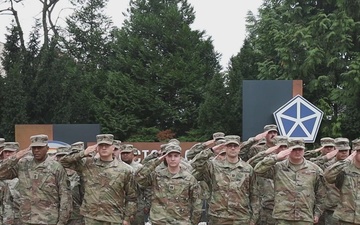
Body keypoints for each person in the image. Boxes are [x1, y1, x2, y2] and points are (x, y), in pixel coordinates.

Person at [60, 134, 137, 225]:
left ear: (113, 148)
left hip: (114, 218)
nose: (104, 148)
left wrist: (127, 219)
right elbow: (63, 162)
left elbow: (132, 197)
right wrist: (83, 153)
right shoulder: (87, 164)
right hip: (91, 217)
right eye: (101, 145)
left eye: (107, 145)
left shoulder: (125, 170)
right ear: (96, 147)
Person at [0, 134, 72, 225]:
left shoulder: (56, 167)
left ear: (47, 148)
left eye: (39, 147)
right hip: (26, 220)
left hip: (48, 220)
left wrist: (62, 222)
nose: (36, 150)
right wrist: (16, 157)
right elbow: (1, 173)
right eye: (34, 148)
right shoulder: (23, 165)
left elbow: (65, 197)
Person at [254, 138, 325, 225]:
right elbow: (258, 170)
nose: (297, 152)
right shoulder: (278, 167)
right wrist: (275, 157)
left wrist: (317, 213)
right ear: (288, 150)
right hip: (282, 217)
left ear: (304, 150)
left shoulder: (314, 169)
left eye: (300, 149)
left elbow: (321, 194)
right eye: (294, 149)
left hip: (304, 216)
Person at [191, 135, 259, 224]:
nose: (233, 148)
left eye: (235, 146)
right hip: (218, 217)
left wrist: (254, 219)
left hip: (241, 217)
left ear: (239, 148)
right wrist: (211, 150)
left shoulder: (248, 168)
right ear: (225, 148)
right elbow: (195, 163)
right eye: (229, 146)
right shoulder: (214, 166)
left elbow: (254, 195)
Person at [135, 144, 202, 225]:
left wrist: (194, 222)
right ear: (165, 157)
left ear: (180, 157)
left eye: (176, 156)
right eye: (169, 156)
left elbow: (197, 203)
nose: (172, 159)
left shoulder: (189, 178)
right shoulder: (156, 175)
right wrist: (157, 161)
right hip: (159, 221)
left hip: (181, 221)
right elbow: (138, 177)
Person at [247, 136, 288, 225]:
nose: (283, 150)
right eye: (280, 147)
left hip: (287, 212)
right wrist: (271, 156)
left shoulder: (294, 164)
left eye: (285, 147)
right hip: (266, 209)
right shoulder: (265, 162)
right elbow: (250, 165)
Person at [324, 138, 360, 225]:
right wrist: (347, 160)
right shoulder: (344, 169)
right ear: (354, 152)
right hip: (346, 219)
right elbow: (328, 176)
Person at [318, 138, 350, 225]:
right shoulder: (327, 165)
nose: (344, 153)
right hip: (332, 207)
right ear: (335, 151)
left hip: (349, 208)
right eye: (341, 151)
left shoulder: (354, 165)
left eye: (346, 150)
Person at [55, 146, 85, 225]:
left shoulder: (79, 175)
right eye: (59, 156)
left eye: (63, 156)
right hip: (58, 216)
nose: (61, 158)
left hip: (76, 217)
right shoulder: (54, 176)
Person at [1, 142, 21, 224]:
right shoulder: (1, 168)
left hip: (20, 216)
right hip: (3, 216)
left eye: (11, 152)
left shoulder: (24, 168)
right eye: (5, 152)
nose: (8, 154)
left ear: (17, 153)